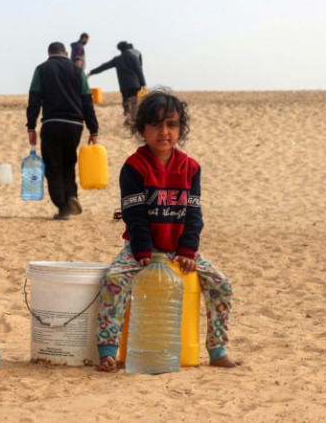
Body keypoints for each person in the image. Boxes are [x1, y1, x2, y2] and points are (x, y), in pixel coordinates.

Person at [96, 89, 241, 372]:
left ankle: (217, 350)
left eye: (171, 124)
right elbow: (134, 215)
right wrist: (142, 251)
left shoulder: (190, 167)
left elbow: (194, 214)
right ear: (141, 129)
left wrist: (187, 251)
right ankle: (108, 351)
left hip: (178, 249)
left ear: (180, 128)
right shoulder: (134, 167)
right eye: (155, 125)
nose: (164, 131)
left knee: (221, 285)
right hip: (141, 248)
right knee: (113, 280)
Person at [26, 42, 99, 220]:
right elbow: (87, 100)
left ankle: (62, 206)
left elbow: (34, 99)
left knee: (53, 166)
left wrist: (31, 126)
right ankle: (72, 195)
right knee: (69, 162)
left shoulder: (41, 69)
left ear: (49, 53)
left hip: (52, 123)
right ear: (66, 53)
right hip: (75, 125)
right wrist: (93, 129)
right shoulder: (77, 71)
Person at [87, 41, 146, 115]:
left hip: (124, 85)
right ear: (128, 47)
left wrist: (91, 72)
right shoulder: (133, 57)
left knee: (125, 101)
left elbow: (104, 66)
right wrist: (143, 84)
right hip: (135, 84)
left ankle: (127, 114)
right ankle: (134, 115)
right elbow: (139, 71)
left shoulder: (117, 59)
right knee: (134, 102)